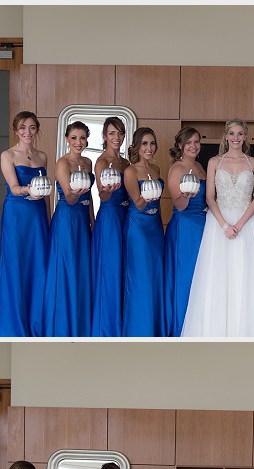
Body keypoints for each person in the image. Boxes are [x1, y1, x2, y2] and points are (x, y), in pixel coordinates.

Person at [181, 119, 254, 337]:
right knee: (217, 277)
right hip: (218, 224)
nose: (236, 138)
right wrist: (224, 225)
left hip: (248, 222)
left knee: (248, 276)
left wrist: (238, 225)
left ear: (245, 136)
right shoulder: (213, 162)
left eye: (240, 133)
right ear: (226, 136)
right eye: (232, 133)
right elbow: (210, 197)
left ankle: (247, 331)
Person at [0, 111, 50, 336]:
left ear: (37, 130)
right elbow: (14, 188)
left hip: (37, 215)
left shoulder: (43, 156)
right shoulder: (7, 155)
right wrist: (28, 190)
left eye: (32, 127)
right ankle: (15, 324)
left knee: (38, 265)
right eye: (23, 128)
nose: (27, 132)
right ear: (15, 131)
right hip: (17, 215)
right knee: (17, 266)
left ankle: (36, 322)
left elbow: (45, 192)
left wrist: (48, 220)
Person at [43, 121, 94, 336]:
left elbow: (89, 197)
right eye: (74, 138)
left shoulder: (88, 162)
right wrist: (78, 191)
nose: (78, 142)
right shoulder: (62, 163)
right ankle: (63, 322)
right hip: (67, 218)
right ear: (67, 139)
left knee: (82, 269)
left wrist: (93, 222)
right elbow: (70, 196)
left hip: (83, 219)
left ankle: (80, 319)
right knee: (67, 268)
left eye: (82, 138)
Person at [121, 127, 165, 336]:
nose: (149, 148)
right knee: (140, 277)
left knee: (155, 276)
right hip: (138, 228)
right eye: (145, 144)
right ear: (137, 146)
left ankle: (154, 326)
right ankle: (138, 329)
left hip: (156, 226)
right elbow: (137, 204)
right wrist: (146, 198)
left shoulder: (156, 169)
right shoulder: (130, 171)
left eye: (152, 143)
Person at [164, 127, 207, 337]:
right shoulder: (177, 169)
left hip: (203, 226)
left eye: (196, 142)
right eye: (188, 142)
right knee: (186, 276)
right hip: (186, 227)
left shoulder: (199, 166)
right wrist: (187, 195)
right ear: (180, 145)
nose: (193, 146)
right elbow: (179, 205)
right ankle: (182, 328)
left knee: (202, 276)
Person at [90, 117, 130, 336]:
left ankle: (124, 322)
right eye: (113, 133)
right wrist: (109, 190)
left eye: (120, 133)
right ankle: (107, 327)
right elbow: (102, 196)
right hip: (110, 219)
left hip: (127, 216)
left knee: (125, 268)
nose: (117, 138)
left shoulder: (126, 163)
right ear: (105, 136)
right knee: (110, 270)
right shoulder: (101, 162)